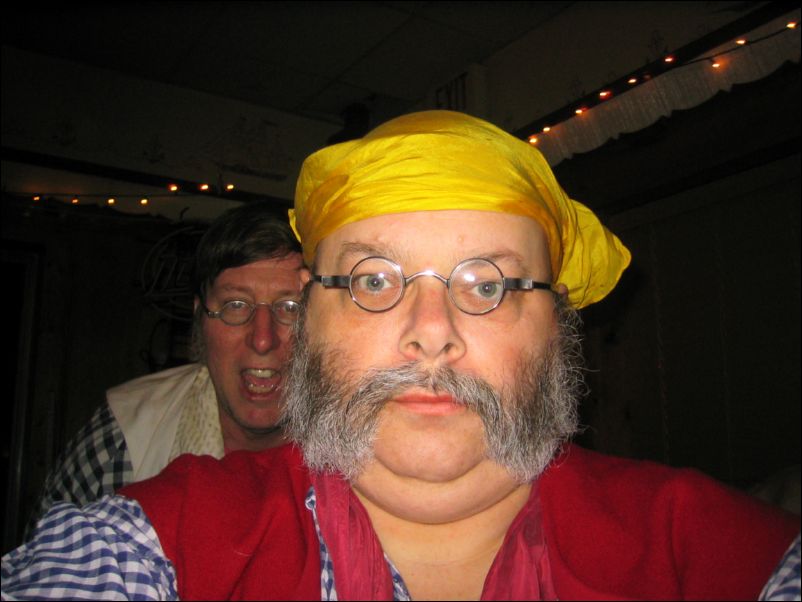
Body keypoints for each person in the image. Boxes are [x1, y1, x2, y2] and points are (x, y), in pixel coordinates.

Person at [3, 111, 799, 600]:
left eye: (487, 284)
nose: (431, 330)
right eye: (374, 279)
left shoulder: (714, 553)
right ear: (315, 319)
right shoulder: (162, 537)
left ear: (555, 329)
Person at [27, 201, 306, 528]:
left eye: (291, 307)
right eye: (235, 305)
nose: (262, 339)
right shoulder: (124, 438)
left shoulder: (353, 457)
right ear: (200, 318)